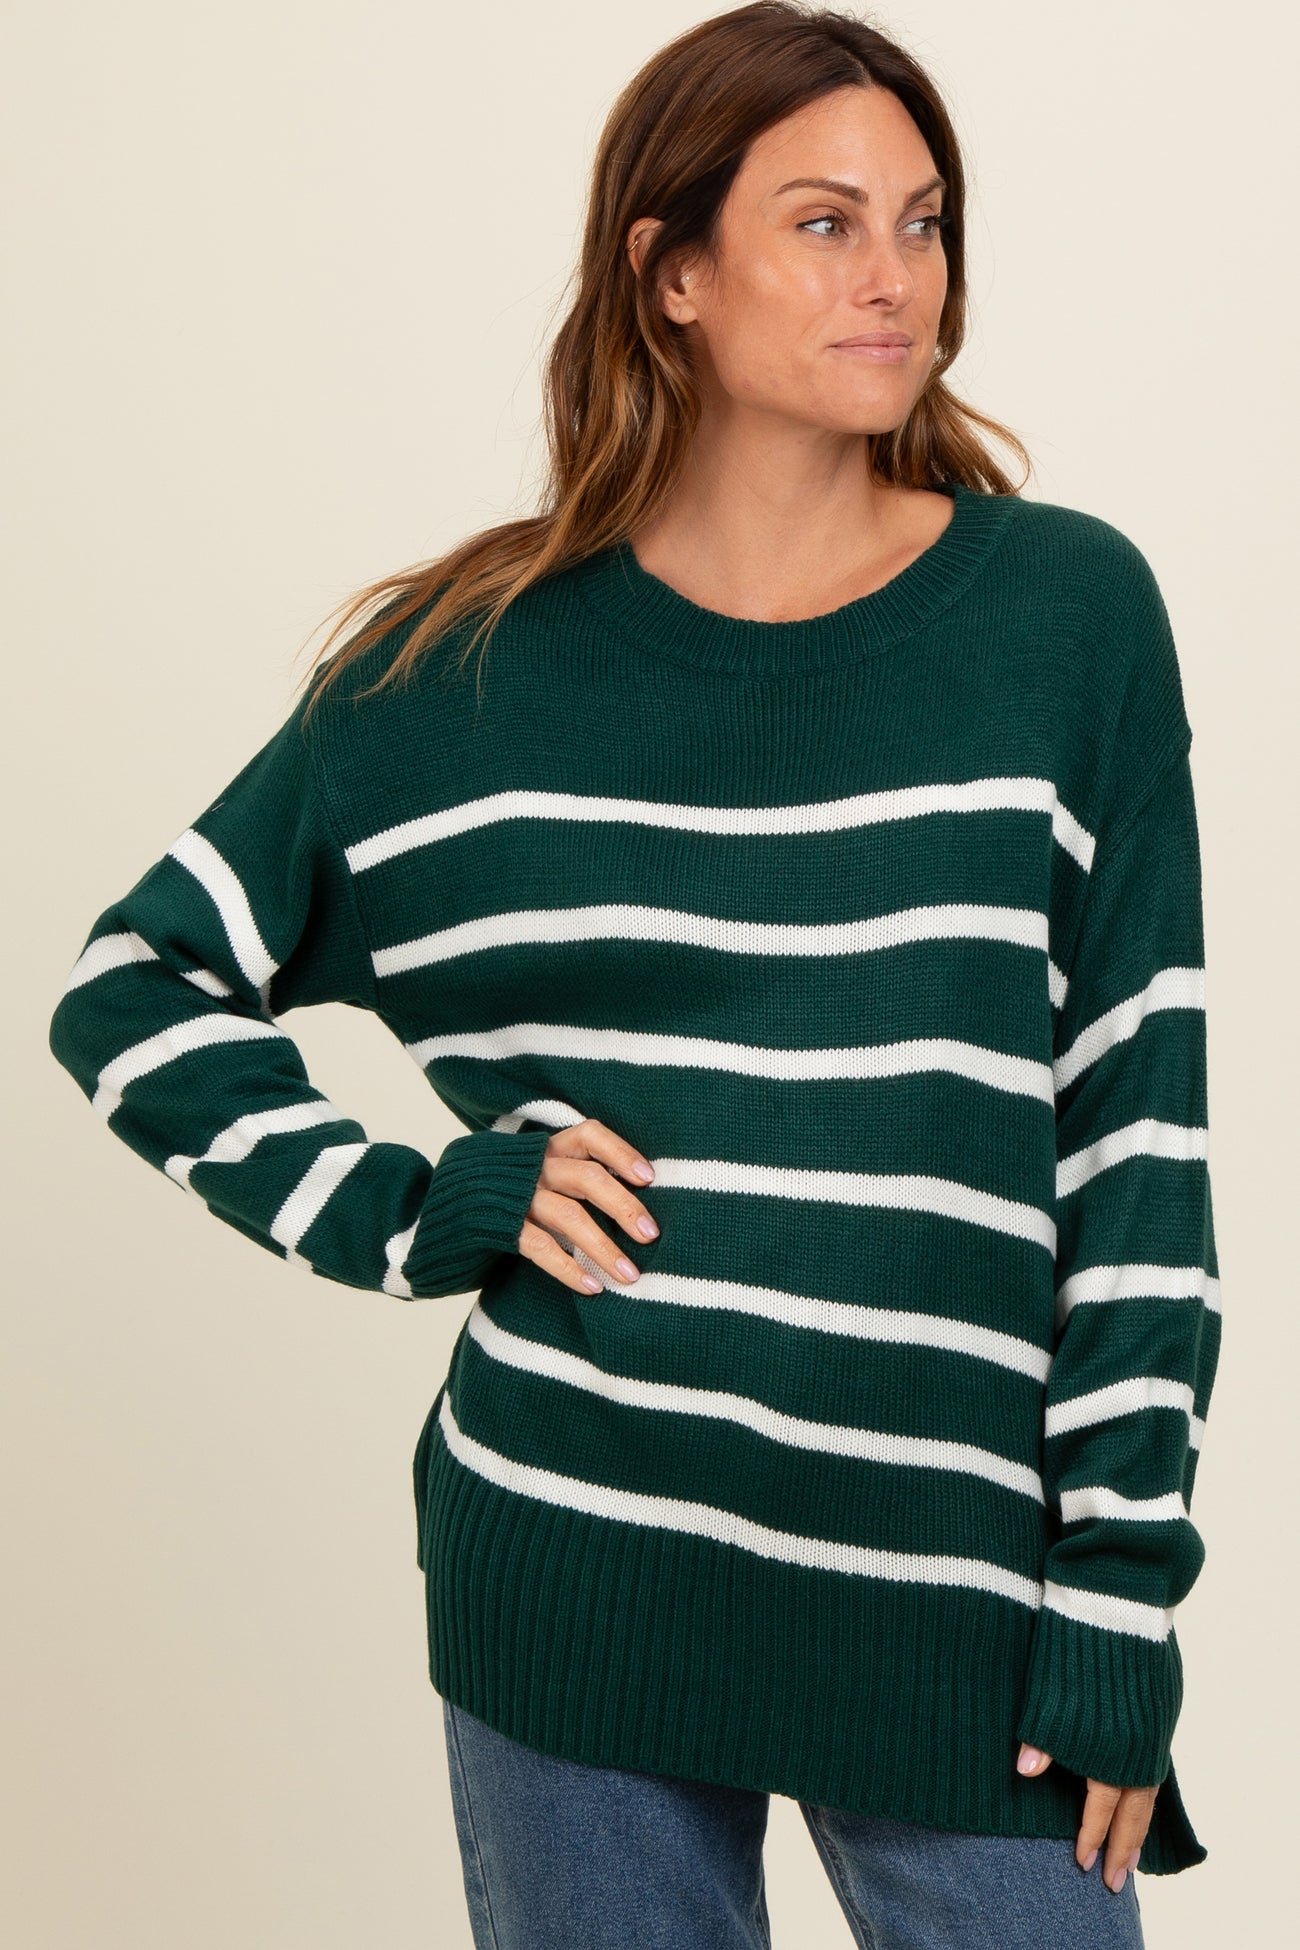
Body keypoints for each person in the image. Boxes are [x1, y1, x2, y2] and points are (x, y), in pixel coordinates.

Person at [48, 4, 1221, 1944]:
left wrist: (1116, 1590)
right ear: (669, 273)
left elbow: (1137, 1137)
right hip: (574, 1576)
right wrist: (425, 1202)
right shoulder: (456, 674)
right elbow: (134, 987)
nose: (896, 276)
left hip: (958, 1607)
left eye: (922, 221)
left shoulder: (1059, 619)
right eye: (825, 223)